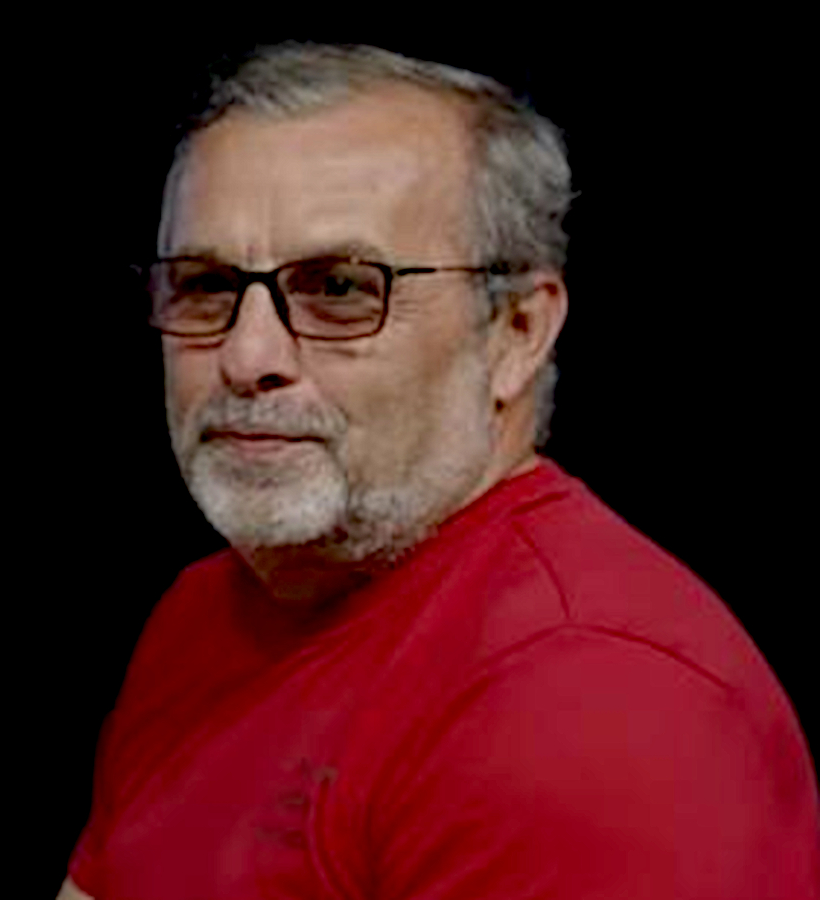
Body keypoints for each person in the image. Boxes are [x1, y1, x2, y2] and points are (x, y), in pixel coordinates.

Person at [59, 42, 819, 899]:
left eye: (340, 288)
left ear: (516, 332)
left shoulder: (594, 702)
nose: (248, 356)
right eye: (206, 285)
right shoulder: (204, 611)